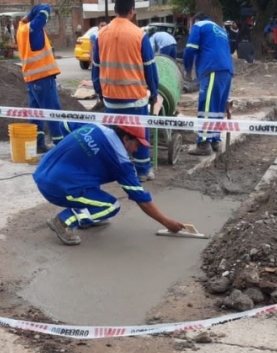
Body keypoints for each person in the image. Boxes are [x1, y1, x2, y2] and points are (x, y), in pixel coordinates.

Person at [34, 124, 185, 246]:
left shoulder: (94, 127)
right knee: (111, 206)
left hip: (42, 172)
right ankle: (64, 220)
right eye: (137, 144)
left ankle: (87, 217)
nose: (137, 150)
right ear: (126, 139)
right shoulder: (121, 162)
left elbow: (65, 125)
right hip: (58, 188)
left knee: (91, 183)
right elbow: (141, 198)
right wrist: (166, 222)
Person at [92, 0, 159, 181]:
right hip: (134, 97)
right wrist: (153, 92)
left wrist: (100, 91)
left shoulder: (101, 34)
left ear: (114, 10)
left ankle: (115, 169)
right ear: (132, 11)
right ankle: (143, 170)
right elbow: (150, 68)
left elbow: (96, 67)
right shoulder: (139, 35)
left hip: (111, 98)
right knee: (139, 135)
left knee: (113, 135)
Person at [183, 12, 234, 156]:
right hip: (227, 71)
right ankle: (215, 140)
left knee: (206, 106)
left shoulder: (199, 25)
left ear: (196, 20)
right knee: (217, 108)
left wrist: (187, 70)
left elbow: (190, 49)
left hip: (212, 68)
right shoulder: (221, 30)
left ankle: (204, 143)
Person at [17, 5, 64, 154]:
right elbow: (45, 8)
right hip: (43, 78)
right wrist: (31, 14)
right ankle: (60, 145)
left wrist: (28, 16)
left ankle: (38, 143)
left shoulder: (21, 30)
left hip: (31, 79)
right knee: (52, 112)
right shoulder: (33, 28)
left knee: (35, 113)